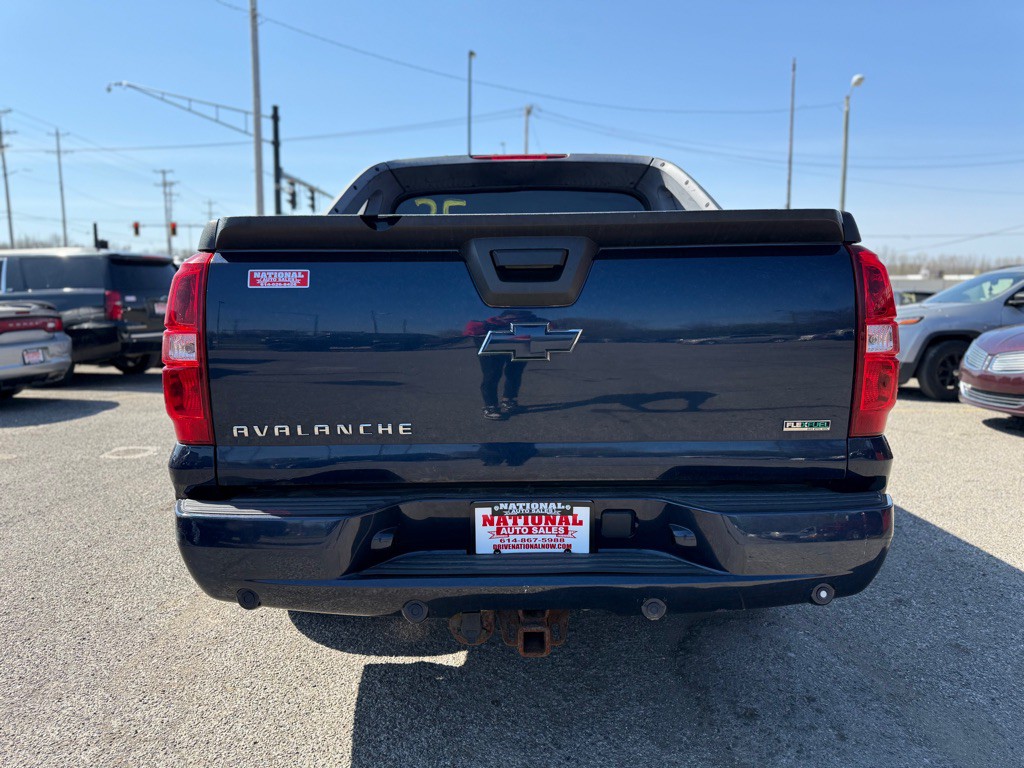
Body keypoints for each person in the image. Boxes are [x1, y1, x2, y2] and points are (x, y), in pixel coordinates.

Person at [463, 310, 541, 420]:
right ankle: (490, 406)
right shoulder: (490, 323)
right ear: (503, 317)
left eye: (519, 317)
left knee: (514, 374)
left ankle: (509, 400)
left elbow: (549, 327)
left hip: (519, 346)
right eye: (513, 317)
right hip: (492, 348)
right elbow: (471, 329)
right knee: (492, 375)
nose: (515, 319)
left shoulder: (532, 322)